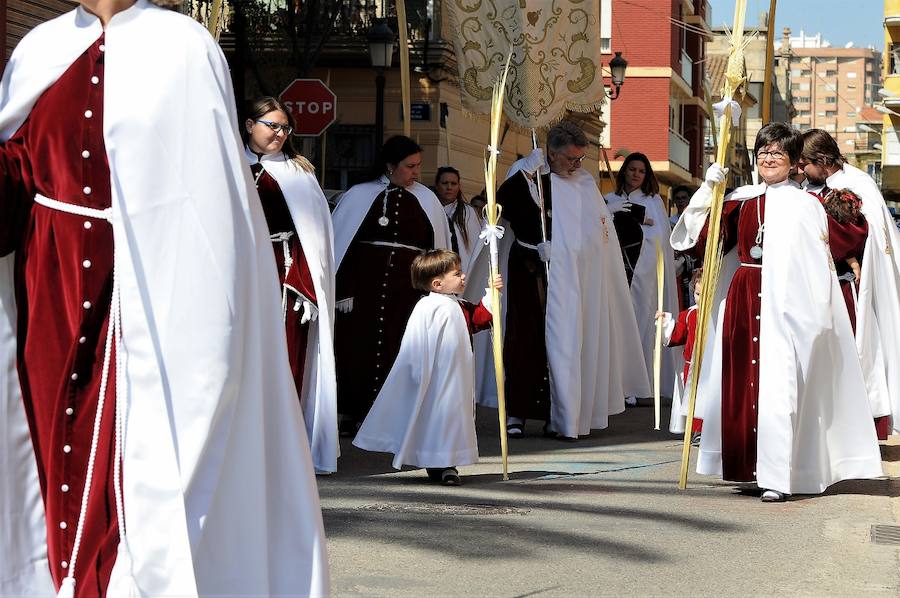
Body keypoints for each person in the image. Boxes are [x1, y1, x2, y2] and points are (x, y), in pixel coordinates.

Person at [0, 1, 328, 597]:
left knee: (138, 463)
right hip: (47, 290)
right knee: (47, 450)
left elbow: (207, 196)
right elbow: (17, 171)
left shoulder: (183, 48)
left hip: (152, 291)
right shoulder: (39, 49)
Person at [671, 123, 883, 502]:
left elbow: (846, 237)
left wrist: (844, 206)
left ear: (793, 161)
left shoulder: (807, 205)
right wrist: (709, 192)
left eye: (777, 153)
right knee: (744, 385)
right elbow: (702, 243)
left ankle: (779, 474)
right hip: (745, 297)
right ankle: (751, 467)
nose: (769, 158)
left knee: (780, 387)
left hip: (787, 306)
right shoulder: (741, 200)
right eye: (763, 152)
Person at [492, 120, 650, 439]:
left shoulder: (583, 183)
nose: (575, 165)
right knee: (525, 339)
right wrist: (525, 173)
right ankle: (518, 412)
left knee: (565, 344)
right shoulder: (528, 174)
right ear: (550, 153)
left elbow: (596, 238)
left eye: (579, 159)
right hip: (528, 268)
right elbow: (501, 206)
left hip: (571, 278)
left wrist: (568, 252)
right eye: (569, 159)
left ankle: (560, 411)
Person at [242, 96, 338, 473]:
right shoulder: (227, 164)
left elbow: (315, 238)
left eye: (285, 128)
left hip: (283, 280)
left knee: (283, 357)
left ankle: (282, 445)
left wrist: (303, 281)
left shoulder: (299, 174)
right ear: (250, 125)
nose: (280, 134)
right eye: (272, 126)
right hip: (238, 277)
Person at [332, 136, 451, 434]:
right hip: (363, 288)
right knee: (357, 348)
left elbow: (435, 249)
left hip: (406, 290)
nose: (416, 173)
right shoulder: (359, 196)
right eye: (409, 166)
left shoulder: (426, 199)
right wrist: (343, 289)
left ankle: (393, 415)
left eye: (418, 166)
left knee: (400, 348)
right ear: (389, 166)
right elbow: (341, 246)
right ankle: (352, 411)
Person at [353, 250, 501, 486]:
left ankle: (444, 462)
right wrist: (418, 375)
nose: (463, 277)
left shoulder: (458, 305)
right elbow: (416, 345)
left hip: (456, 378)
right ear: (437, 283)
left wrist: (492, 292)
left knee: (451, 418)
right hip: (434, 378)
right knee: (436, 417)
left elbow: (480, 319)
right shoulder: (427, 308)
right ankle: (441, 465)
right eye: (457, 274)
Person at [799, 128, 900, 439]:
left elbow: (856, 232)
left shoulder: (851, 185)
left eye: (805, 164)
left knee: (856, 352)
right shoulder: (836, 182)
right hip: (837, 277)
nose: (802, 171)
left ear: (822, 159)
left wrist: (849, 256)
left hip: (851, 283)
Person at [605, 153, 682, 406]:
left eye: (641, 171)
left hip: (642, 272)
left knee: (639, 323)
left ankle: (634, 384)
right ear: (624, 171)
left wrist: (641, 221)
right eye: (632, 169)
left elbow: (659, 239)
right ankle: (611, 382)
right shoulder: (610, 199)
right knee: (612, 324)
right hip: (613, 271)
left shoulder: (653, 202)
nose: (636, 174)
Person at [656, 269, 704, 440]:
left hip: (712, 365)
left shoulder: (721, 312)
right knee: (694, 398)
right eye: (698, 294)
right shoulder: (690, 314)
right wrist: (664, 323)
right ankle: (697, 431)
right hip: (692, 366)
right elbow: (677, 335)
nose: (701, 299)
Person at [434, 166, 482, 270]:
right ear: (437, 185)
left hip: (463, 270)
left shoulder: (468, 212)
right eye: (445, 183)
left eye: (453, 184)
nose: (449, 187)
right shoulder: (431, 208)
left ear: (459, 186)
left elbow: (475, 246)